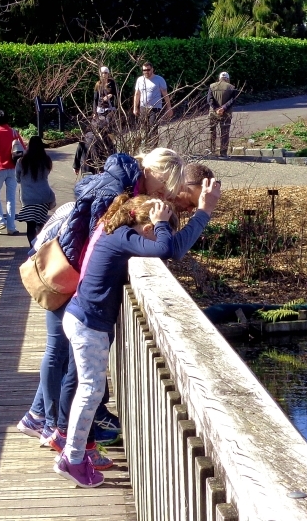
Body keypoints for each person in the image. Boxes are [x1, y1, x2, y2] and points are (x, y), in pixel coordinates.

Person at [16, 147, 186, 459]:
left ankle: (41, 419)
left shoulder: (123, 182)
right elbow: (102, 239)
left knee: (63, 353)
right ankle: (58, 429)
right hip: (75, 279)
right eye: (163, 187)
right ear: (153, 172)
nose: (162, 194)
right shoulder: (118, 190)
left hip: (77, 280)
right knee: (62, 355)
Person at [54, 180, 221, 488]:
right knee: (90, 390)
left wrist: (202, 212)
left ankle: (76, 452)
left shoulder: (120, 230)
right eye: (159, 227)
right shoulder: (123, 235)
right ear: (145, 226)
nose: (163, 232)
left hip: (85, 319)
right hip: (88, 323)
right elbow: (165, 248)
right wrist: (173, 222)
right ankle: (72, 458)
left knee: (87, 388)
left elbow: (173, 246)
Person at [15, 136, 56, 246]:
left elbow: (17, 178)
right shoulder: (46, 160)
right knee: (41, 225)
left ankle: (32, 249)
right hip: (43, 197)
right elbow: (47, 174)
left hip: (28, 198)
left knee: (30, 226)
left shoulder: (21, 161)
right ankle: (40, 248)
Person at [132, 62, 172, 147]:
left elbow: (165, 94)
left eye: (148, 70)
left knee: (153, 128)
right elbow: (137, 94)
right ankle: (146, 147)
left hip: (155, 108)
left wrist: (169, 107)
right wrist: (135, 107)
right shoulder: (140, 80)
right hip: (143, 108)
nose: (146, 72)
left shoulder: (159, 79)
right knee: (145, 129)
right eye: (144, 70)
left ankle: (153, 147)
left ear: (152, 69)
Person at [207, 71, 238, 157]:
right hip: (226, 113)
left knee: (212, 132)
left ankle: (212, 151)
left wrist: (216, 108)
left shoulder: (212, 86)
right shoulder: (231, 87)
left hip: (213, 113)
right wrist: (223, 108)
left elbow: (209, 99)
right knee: (225, 132)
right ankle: (223, 153)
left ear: (219, 78)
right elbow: (232, 100)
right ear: (227, 79)